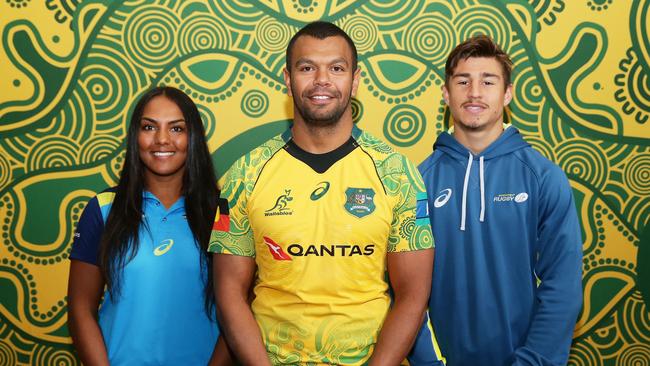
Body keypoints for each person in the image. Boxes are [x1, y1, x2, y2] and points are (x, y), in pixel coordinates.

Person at [210, 21, 444, 365]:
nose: (322, 80)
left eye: (336, 68)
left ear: (356, 79)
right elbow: (229, 292)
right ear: (288, 80)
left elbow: (413, 294)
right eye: (307, 68)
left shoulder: (397, 173)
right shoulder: (245, 175)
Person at [413, 35, 583, 365]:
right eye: (463, 81)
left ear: (507, 94)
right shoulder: (418, 182)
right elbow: (405, 292)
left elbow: (562, 287)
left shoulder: (543, 178)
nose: (474, 92)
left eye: (487, 81)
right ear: (446, 94)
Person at [67, 86, 226, 365]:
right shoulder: (104, 208)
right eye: (149, 127)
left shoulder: (221, 214)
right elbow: (80, 307)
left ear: (194, 138)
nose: (162, 140)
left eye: (176, 129)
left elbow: (239, 306)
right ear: (135, 136)